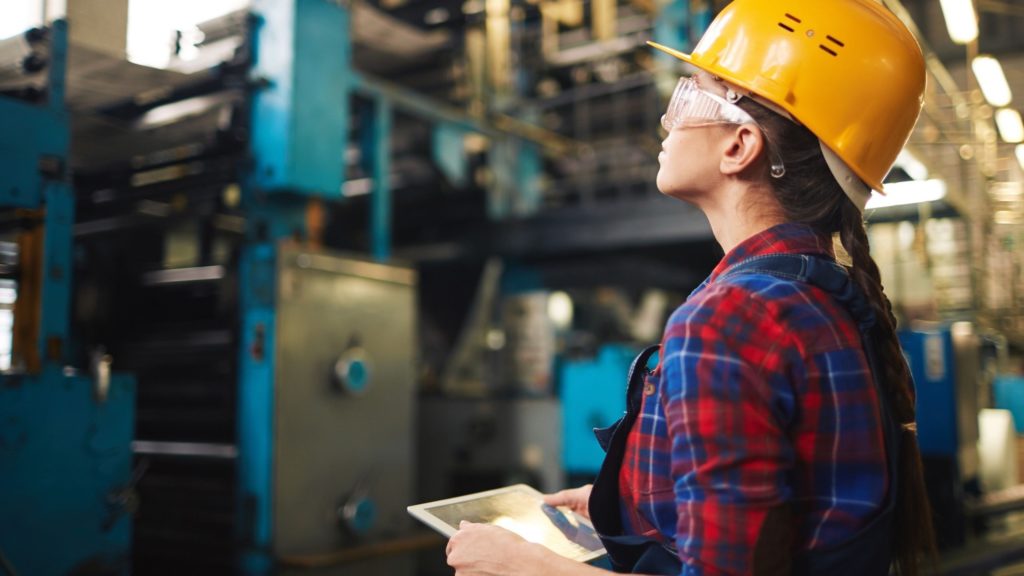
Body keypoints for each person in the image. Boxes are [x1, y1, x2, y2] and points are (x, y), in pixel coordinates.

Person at [445, 0, 936, 574]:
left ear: (739, 146)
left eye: (689, 95)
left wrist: (524, 565)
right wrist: (630, 502)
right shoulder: (823, 301)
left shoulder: (733, 317)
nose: (667, 120)